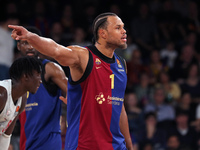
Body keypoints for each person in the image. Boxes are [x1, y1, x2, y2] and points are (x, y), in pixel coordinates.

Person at [9, 12, 133, 150]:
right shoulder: (83, 56)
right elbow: (56, 49)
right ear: (102, 33)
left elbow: (119, 107)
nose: (124, 31)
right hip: (84, 146)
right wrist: (30, 37)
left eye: (123, 27)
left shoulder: (121, 64)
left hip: (116, 146)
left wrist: (129, 145)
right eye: (118, 27)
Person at [16, 27, 68, 150]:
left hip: (48, 144)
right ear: (18, 46)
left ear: (39, 44)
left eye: (32, 43)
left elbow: (76, 94)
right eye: (25, 43)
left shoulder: (50, 68)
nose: (29, 47)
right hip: (25, 143)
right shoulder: (16, 74)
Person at [0, 56, 42, 150]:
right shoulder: (2, 95)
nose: (40, 80)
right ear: (26, 76)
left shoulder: (22, 100)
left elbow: (6, 134)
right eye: (38, 75)